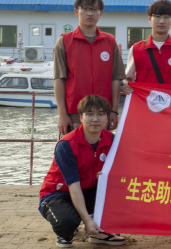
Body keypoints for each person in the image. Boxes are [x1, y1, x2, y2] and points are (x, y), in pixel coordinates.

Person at [38, 95, 126, 247]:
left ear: (107, 117)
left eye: (100, 114)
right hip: (58, 193)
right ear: (81, 117)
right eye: (89, 114)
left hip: (88, 189)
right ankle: (65, 232)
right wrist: (87, 220)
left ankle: (99, 233)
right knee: (68, 222)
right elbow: (73, 185)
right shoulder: (66, 145)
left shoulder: (110, 139)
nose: (95, 119)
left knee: (121, 194)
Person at [53, 0, 125, 136]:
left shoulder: (110, 41)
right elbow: (59, 79)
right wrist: (62, 114)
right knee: (71, 150)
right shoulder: (64, 41)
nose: (90, 13)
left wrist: (114, 111)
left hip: (102, 114)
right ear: (76, 11)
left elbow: (115, 79)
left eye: (94, 9)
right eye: (85, 9)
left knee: (102, 149)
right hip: (74, 114)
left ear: (101, 13)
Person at [124, 0, 171, 89]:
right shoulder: (136, 49)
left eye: (166, 17)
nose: (161, 21)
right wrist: (127, 85)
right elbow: (128, 78)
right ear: (150, 19)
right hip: (145, 98)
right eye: (157, 16)